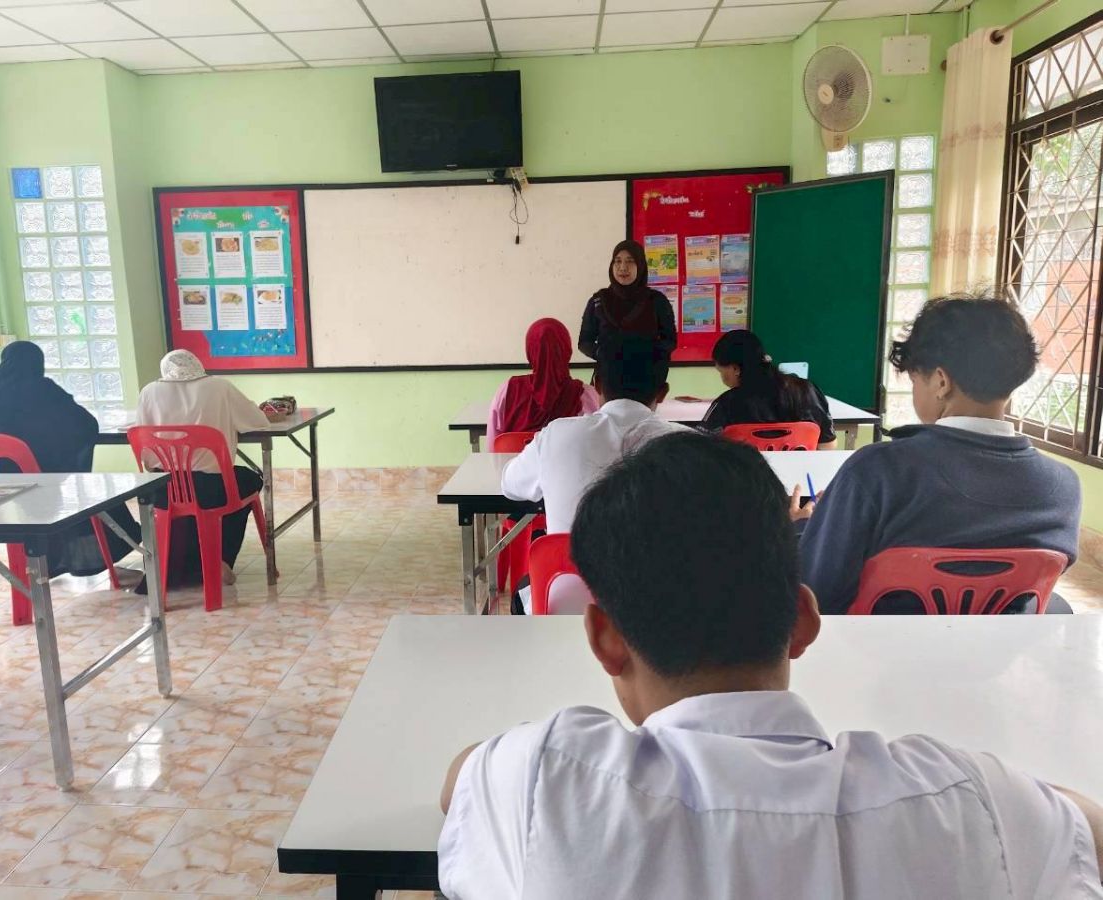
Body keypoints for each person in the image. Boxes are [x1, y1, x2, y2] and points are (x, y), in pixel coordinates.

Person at [437, 432, 1103, 899]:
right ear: (804, 621)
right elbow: (1084, 829)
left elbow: (460, 779)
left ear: (605, 640)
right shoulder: (963, 801)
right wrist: (1014, 791)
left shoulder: (545, 777)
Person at [798, 295, 1081, 614]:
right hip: (996, 645)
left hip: (880, 645)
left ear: (941, 381)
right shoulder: (1064, 487)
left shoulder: (876, 471)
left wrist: (807, 529)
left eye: (915, 379)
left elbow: (815, 594)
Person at [500, 336, 686, 614]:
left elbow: (510, 485)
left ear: (597, 384)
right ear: (662, 392)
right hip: (658, 614)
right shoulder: (690, 446)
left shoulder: (557, 434)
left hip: (563, 606)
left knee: (526, 589)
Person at [0, 340, 141, 578]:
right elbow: (85, 424)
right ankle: (82, 558)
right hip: (28, 483)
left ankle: (47, 561)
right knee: (90, 493)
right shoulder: (39, 388)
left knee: (58, 484)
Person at [135, 349, 272, 586]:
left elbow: (144, 444)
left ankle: (178, 563)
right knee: (249, 480)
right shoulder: (219, 387)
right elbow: (258, 421)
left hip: (162, 489)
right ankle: (222, 559)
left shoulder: (149, 392)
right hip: (211, 488)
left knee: (190, 497)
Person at [701, 329, 837, 448]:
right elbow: (828, 445)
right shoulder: (807, 391)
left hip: (746, 470)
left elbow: (701, 447)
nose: (722, 378)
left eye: (721, 372)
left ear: (735, 369)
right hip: (799, 470)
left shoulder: (727, 403)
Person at [486, 318, 598, 449]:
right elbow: (598, 446)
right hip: (567, 463)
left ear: (529, 352)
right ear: (567, 350)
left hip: (516, 462)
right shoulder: (587, 396)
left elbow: (493, 447)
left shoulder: (507, 391)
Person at [577, 240, 677, 362]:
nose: (623, 267)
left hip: (646, 371)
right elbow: (584, 342)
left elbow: (670, 341)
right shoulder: (598, 301)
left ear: (640, 265)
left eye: (630, 261)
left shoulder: (657, 300)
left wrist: (646, 353)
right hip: (609, 372)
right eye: (618, 261)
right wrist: (601, 353)